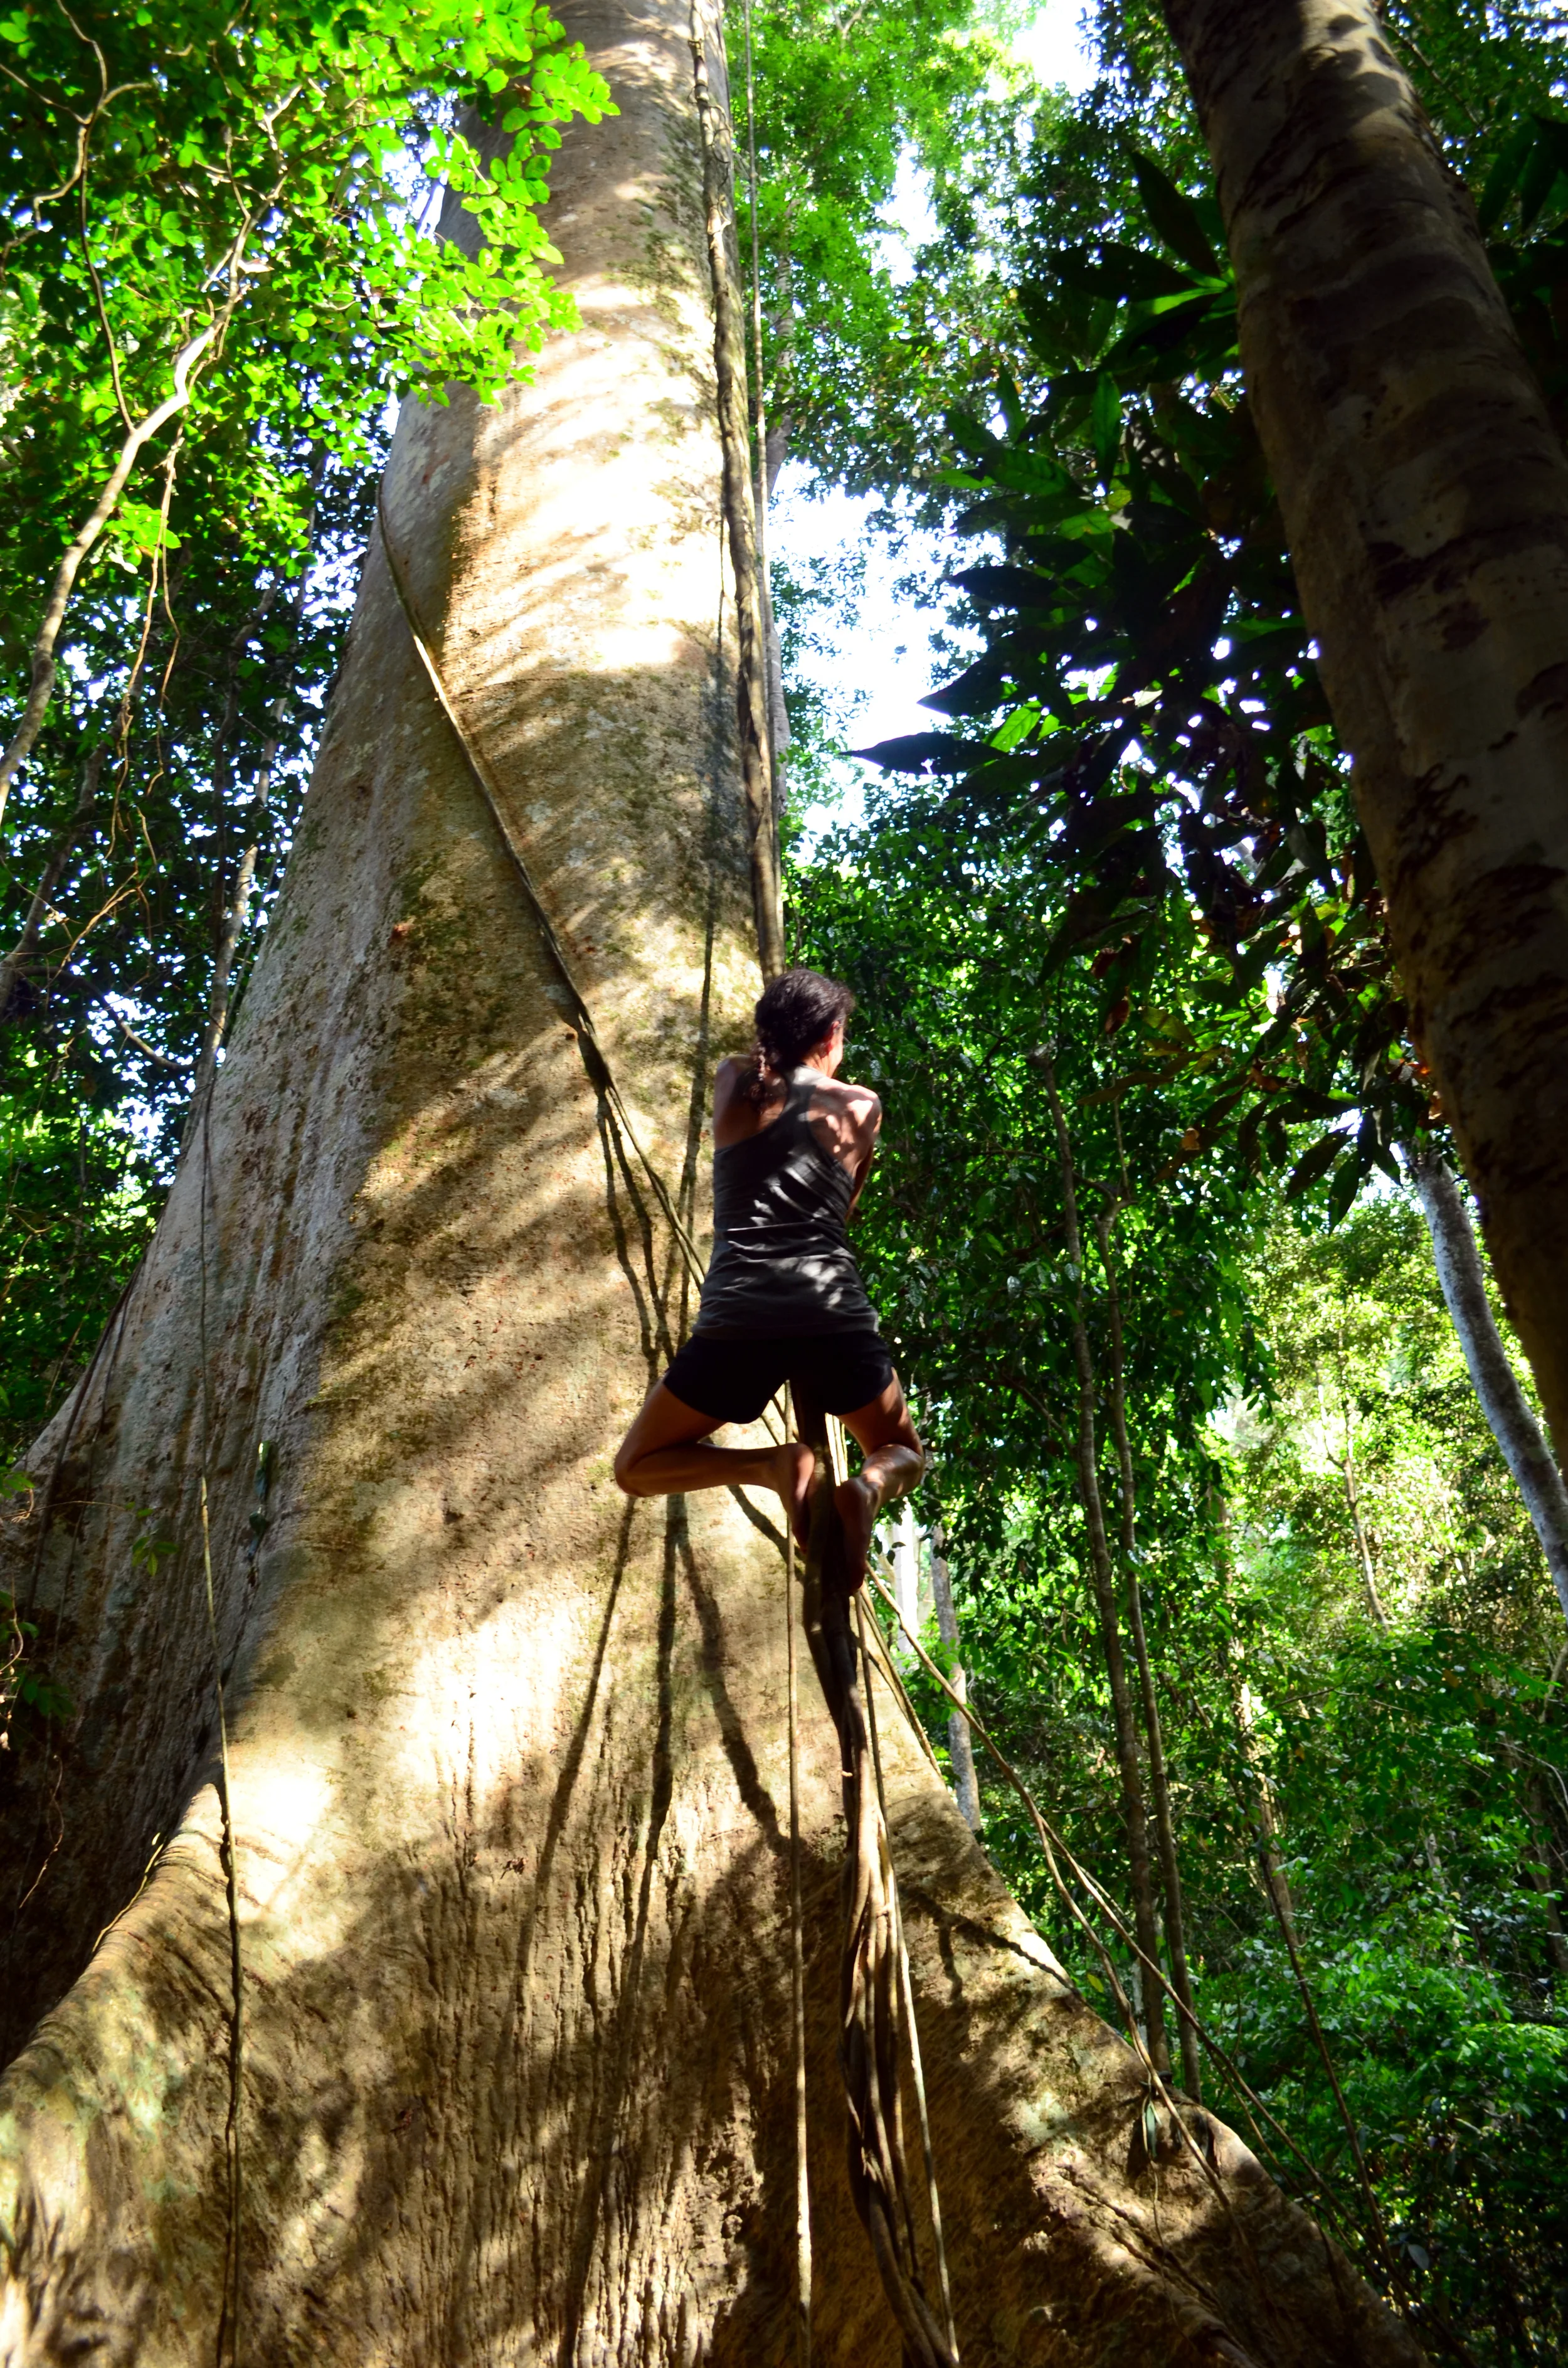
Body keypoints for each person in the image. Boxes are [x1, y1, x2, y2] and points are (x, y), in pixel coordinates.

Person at [613, 967, 923, 1586]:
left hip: (740, 1316)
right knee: (903, 1454)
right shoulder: (861, 1106)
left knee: (636, 1466)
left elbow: (755, 1075)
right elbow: (845, 1207)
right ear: (832, 1033)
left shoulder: (735, 1083)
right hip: (830, 1309)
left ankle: (773, 1467)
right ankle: (866, 1486)